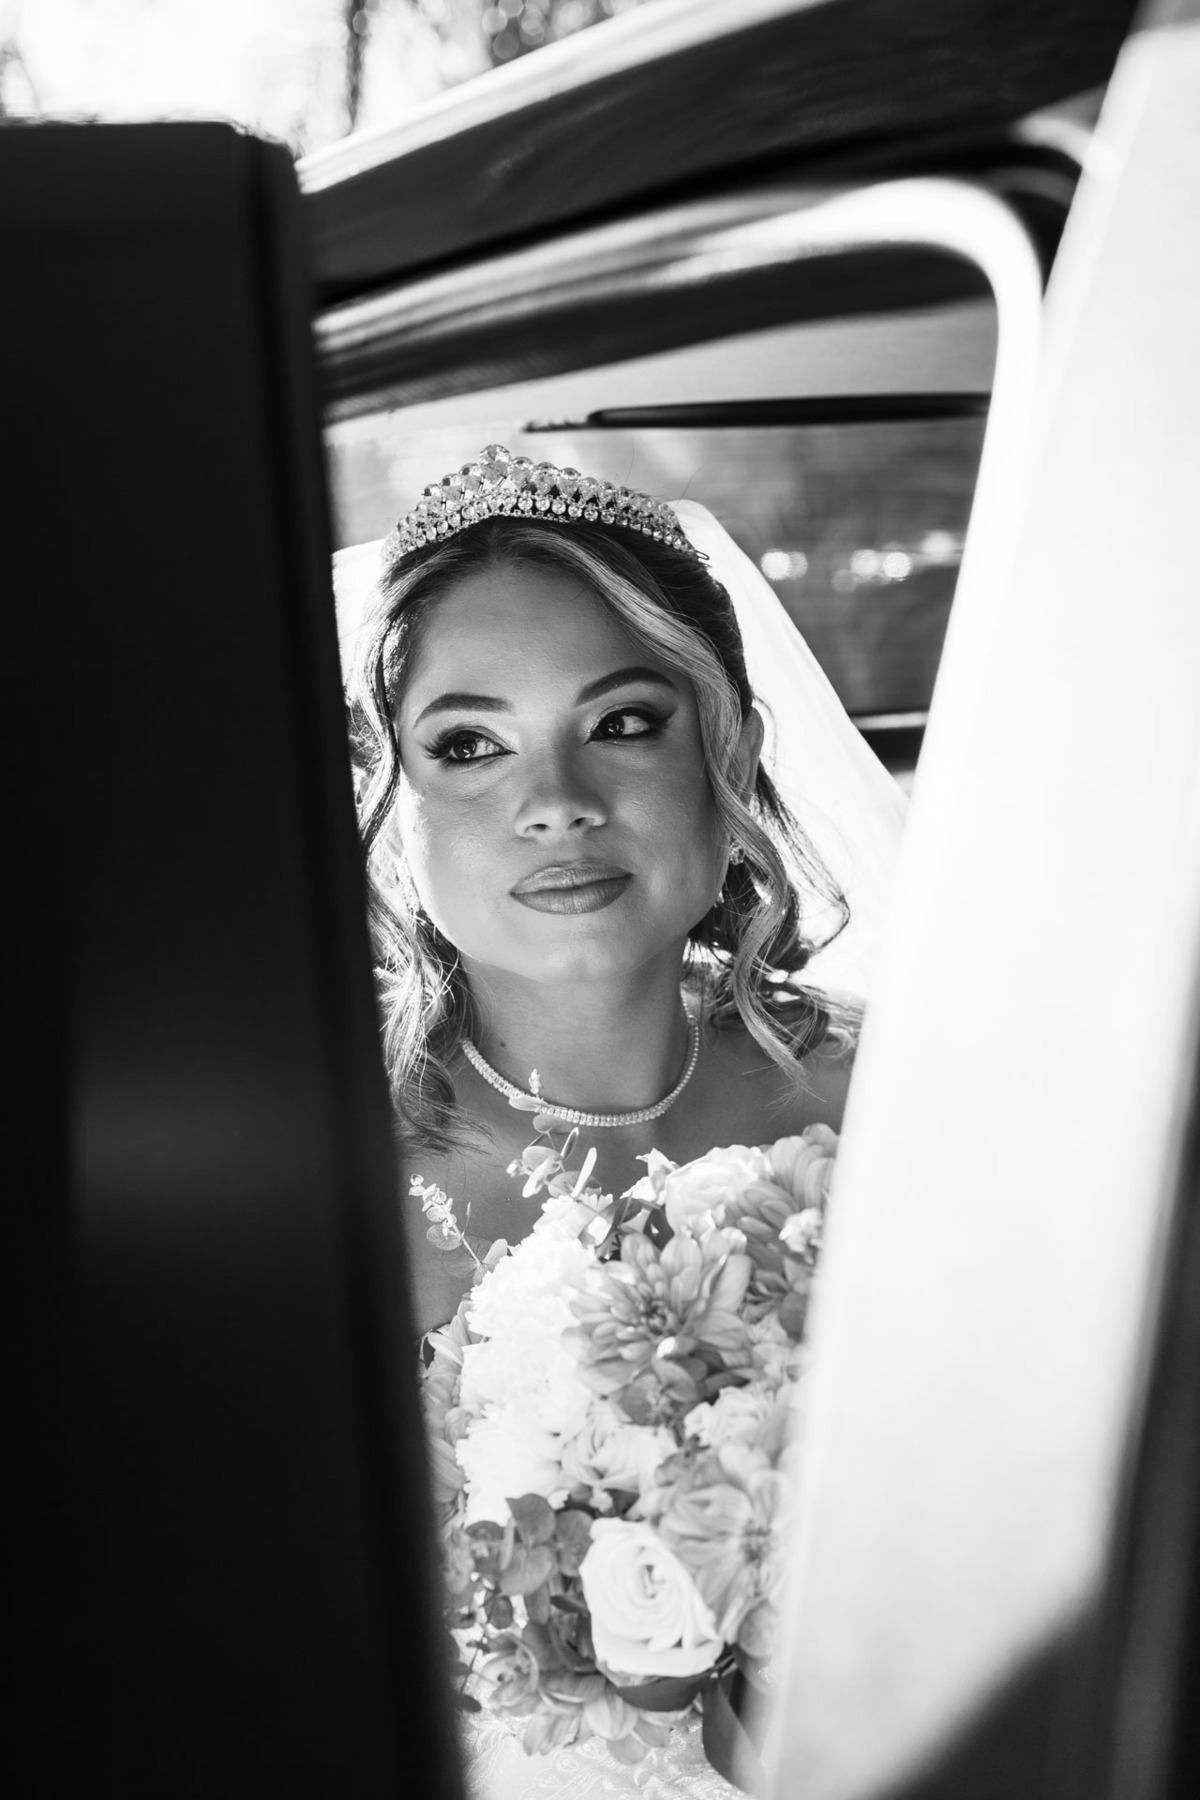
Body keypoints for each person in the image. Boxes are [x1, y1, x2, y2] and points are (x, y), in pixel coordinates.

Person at [340, 444, 906, 1796]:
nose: (557, 803)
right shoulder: (315, 1170)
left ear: (727, 750)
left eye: (625, 722)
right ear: (394, 802)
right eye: (469, 745)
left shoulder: (902, 1101)